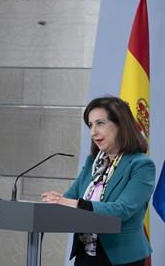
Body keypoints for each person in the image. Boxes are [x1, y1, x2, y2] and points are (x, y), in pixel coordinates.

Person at [42, 96, 155, 266]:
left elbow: (122, 210)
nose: (93, 131)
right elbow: (71, 196)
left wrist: (74, 203)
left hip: (121, 257)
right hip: (85, 254)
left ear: (120, 125)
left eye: (100, 123)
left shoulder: (141, 165)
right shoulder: (93, 162)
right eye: (90, 125)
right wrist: (56, 200)